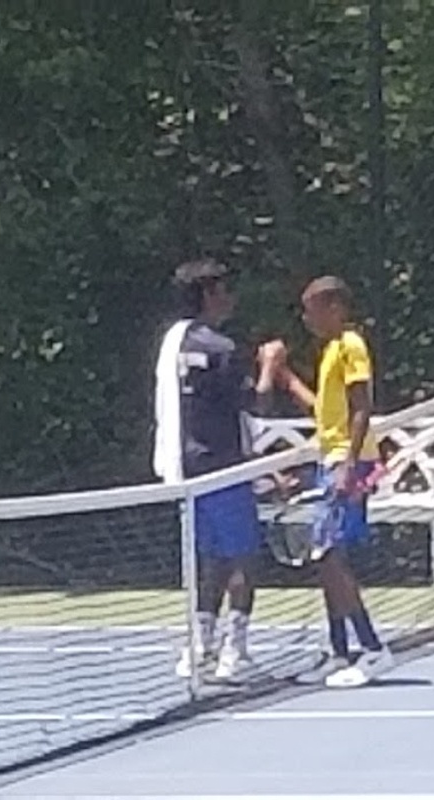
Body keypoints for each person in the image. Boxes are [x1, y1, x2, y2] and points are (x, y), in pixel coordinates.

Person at [152, 258, 284, 681]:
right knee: (243, 555)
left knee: (211, 557)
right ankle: (234, 650)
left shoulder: (172, 345)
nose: (230, 298)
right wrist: (271, 364)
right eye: (224, 290)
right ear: (209, 295)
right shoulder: (220, 349)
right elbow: (258, 404)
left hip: (184, 468)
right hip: (223, 469)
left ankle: (199, 646)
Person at [272, 275, 395, 688]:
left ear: (335, 308)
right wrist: (286, 378)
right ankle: (340, 652)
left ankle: (373, 650)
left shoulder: (351, 346)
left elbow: (362, 408)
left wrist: (347, 466)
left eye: (312, 309)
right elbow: (325, 415)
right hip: (333, 459)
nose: (306, 318)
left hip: (349, 462)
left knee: (330, 556)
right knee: (327, 557)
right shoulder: (329, 352)